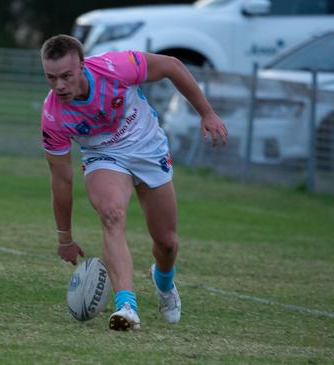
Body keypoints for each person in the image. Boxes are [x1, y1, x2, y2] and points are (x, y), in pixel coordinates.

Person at [40, 35, 227, 331]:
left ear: (82, 66)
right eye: (51, 78)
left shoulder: (116, 66)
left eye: (66, 76)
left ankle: (163, 282)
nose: (59, 85)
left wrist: (206, 112)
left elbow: (171, 65)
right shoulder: (54, 116)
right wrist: (64, 237)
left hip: (148, 147)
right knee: (111, 215)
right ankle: (126, 307)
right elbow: (61, 179)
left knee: (166, 242)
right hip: (104, 156)